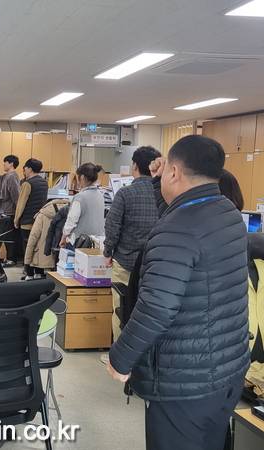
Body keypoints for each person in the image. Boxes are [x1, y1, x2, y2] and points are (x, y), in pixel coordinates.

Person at [107, 135, 250, 450]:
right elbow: (179, 214)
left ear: (173, 172)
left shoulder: (176, 230)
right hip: (226, 369)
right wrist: (159, 181)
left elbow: (156, 308)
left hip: (184, 380)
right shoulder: (226, 211)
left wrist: (121, 358)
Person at [103, 146, 161, 341]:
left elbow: (112, 226)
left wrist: (108, 252)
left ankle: (121, 352)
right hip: (154, 265)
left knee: (121, 309)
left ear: (135, 166)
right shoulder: (165, 194)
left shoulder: (125, 193)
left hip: (125, 262)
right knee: (148, 313)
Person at [14, 158, 48, 279]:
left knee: (28, 247)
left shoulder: (27, 183)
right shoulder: (44, 183)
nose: (24, 170)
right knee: (38, 247)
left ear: (30, 168)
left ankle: (29, 274)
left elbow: (21, 204)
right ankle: (39, 272)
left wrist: (16, 219)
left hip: (27, 221)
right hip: (40, 220)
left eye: (25, 168)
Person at [59, 163, 105, 248]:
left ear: (82, 177)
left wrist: (63, 237)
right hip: (97, 242)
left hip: (80, 242)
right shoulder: (101, 195)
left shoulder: (80, 197)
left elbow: (71, 221)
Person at [23, 198, 68, 279]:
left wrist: (27, 263)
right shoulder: (72, 211)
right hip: (65, 257)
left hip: (43, 256)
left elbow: (33, 237)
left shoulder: (43, 214)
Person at [0, 155, 21, 266]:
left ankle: (11, 260)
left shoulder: (12, 177)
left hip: (11, 212)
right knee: (6, 237)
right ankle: (9, 259)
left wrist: (18, 212)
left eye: (5, 162)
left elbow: (16, 195)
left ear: (11, 164)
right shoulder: (6, 176)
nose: (3, 164)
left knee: (10, 238)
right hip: (5, 211)